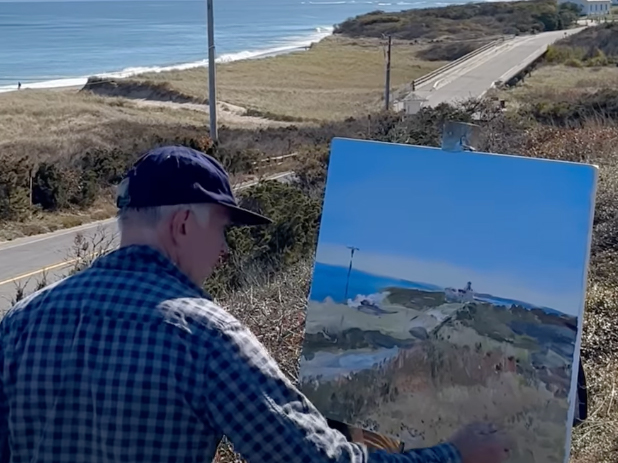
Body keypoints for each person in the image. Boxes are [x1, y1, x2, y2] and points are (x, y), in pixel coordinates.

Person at [0, 146, 510, 463]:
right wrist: (454, 455)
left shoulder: (22, 321)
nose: (224, 252)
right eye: (221, 231)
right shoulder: (204, 337)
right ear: (182, 224)